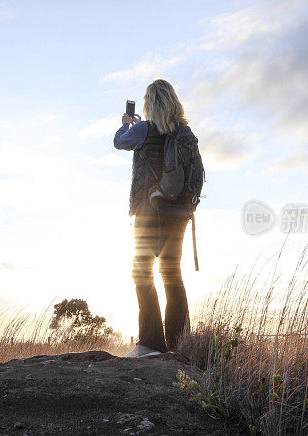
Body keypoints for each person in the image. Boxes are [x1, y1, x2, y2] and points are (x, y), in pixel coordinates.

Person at [113, 79, 196, 358]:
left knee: (142, 272)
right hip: (179, 214)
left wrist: (128, 124)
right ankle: (179, 344)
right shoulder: (184, 133)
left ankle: (150, 344)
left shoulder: (143, 129)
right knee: (172, 274)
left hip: (150, 211)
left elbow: (119, 141)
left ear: (149, 103)